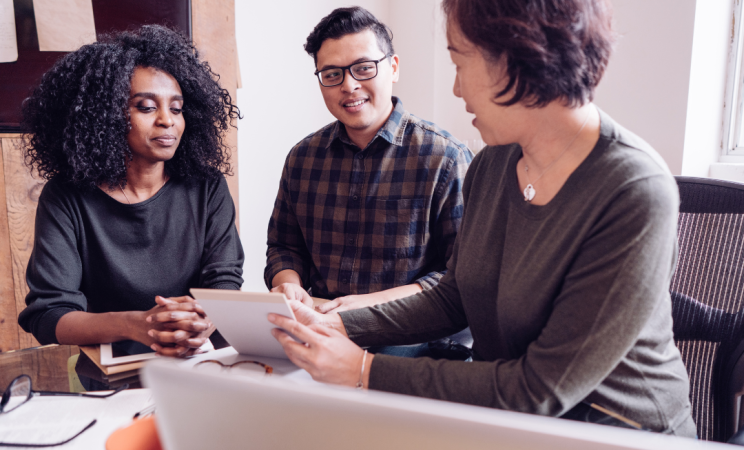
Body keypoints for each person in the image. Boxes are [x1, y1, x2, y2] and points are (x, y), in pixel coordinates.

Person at [269, 0, 697, 436]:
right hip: (508, 422)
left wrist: (363, 370)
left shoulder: (633, 189)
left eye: (459, 62)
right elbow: (454, 297)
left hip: (617, 431)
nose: (456, 89)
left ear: (516, 59)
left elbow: (539, 390)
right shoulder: (493, 163)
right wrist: (332, 323)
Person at [17, 25, 244, 357]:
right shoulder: (66, 197)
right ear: (106, 117)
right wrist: (136, 324)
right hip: (114, 369)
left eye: (177, 108)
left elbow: (224, 282)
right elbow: (49, 314)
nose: (167, 121)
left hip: (202, 360)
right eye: (146, 107)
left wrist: (205, 316)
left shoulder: (207, 186)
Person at [265, 7, 473, 320]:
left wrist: (373, 304)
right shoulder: (302, 159)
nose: (348, 86)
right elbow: (284, 247)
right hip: (321, 323)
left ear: (393, 68)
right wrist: (288, 283)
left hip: (411, 333)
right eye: (332, 74)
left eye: (363, 68)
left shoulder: (445, 158)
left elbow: (462, 277)